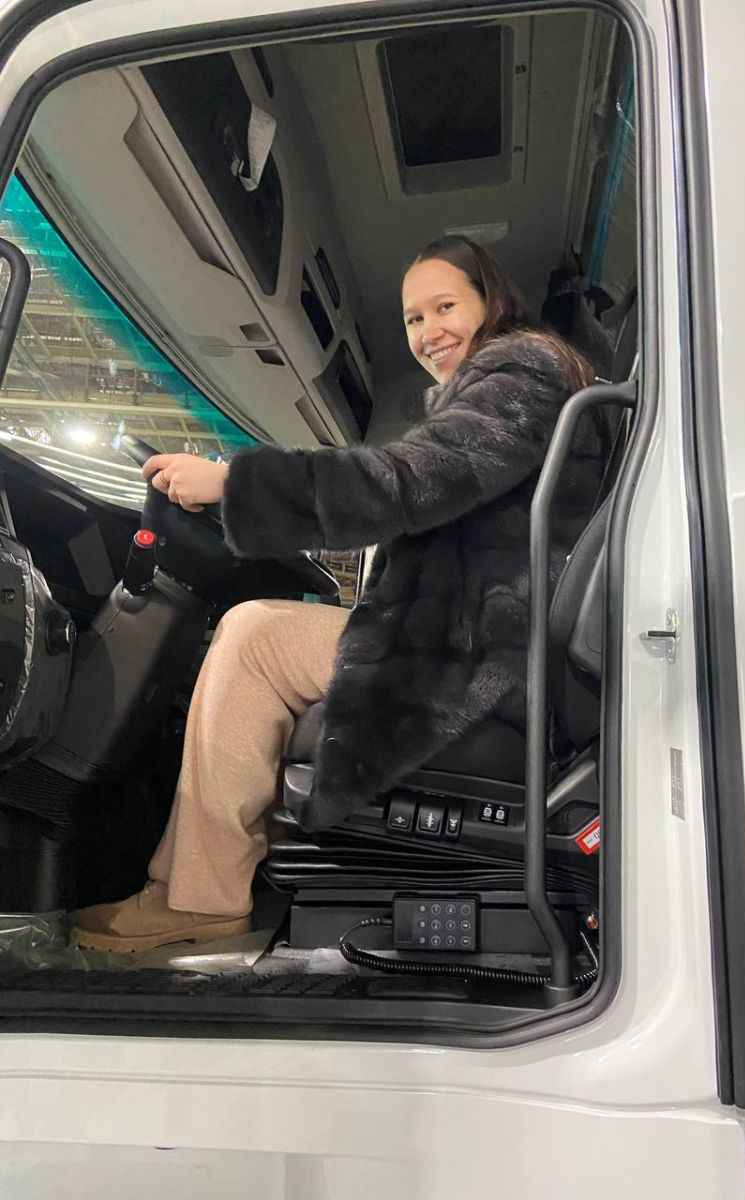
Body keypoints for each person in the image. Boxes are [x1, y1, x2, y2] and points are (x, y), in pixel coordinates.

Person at [71, 236, 611, 953]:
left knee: (254, 635)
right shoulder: (512, 380)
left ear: (491, 302)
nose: (427, 331)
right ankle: (183, 885)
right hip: (479, 639)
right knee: (259, 630)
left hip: (485, 655)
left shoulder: (521, 369)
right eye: (413, 318)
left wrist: (233, 483)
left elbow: (405, 482)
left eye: (445, 306)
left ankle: (202, 901)